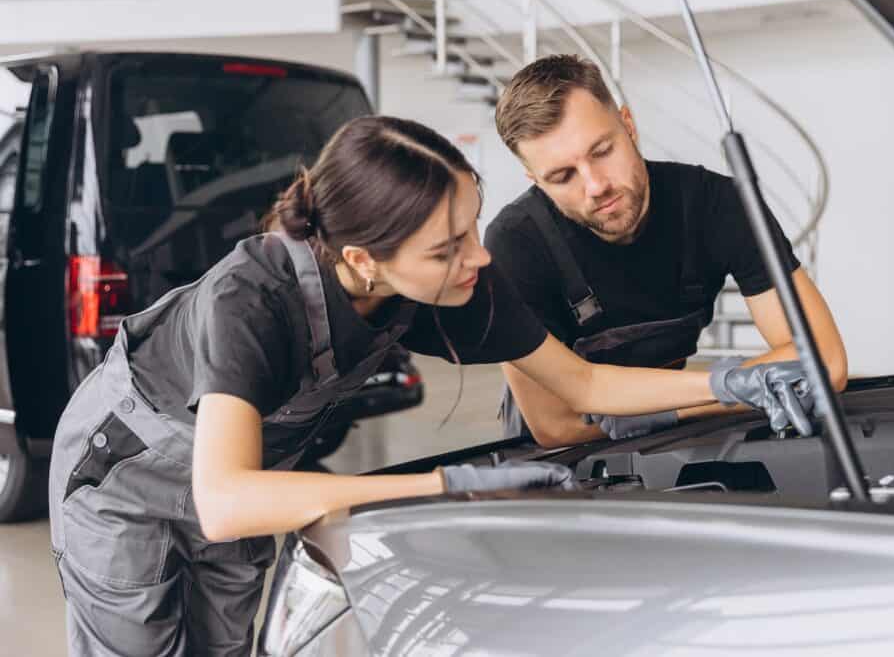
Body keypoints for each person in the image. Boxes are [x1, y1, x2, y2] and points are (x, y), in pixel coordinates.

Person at [49, 115, 817, 656]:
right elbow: (225, 501)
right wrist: (443, 484)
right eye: (449, 247)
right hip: (128, 477)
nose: (479, 259)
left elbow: (580, 379)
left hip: (242, 470)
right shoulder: (249, 301)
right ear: (362, 261)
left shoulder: (451, 281)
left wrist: (731, 380)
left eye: (474, 226)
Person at [485, 54, 847, 447]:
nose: (595, 186)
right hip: (567, 462)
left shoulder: (718, 204)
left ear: (628, 123)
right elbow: (557, 427)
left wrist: (680, 405)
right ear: (534, 179)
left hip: (674, 436)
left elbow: (824, 362)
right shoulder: (516, 244)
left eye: (602, 151)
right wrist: (736, 390)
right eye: (562, 176)